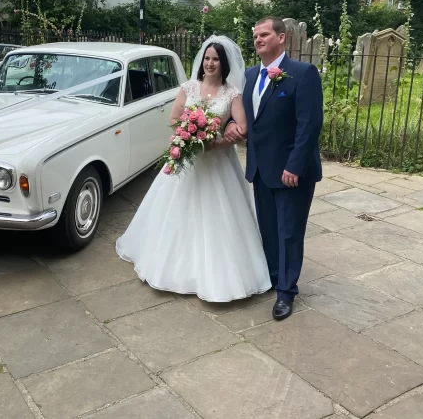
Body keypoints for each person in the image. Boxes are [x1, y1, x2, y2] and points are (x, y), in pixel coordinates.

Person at [116, 36, 272, 303]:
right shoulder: (189, 88)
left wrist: (221, 138)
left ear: (224, 64)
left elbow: (243, 128)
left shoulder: (231, 94)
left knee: (220, 217)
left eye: (216, 59)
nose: (210, 63)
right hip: (187, 160)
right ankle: (171, 266)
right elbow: (174, 119)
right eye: (207, 58)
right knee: (175, 212)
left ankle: (221, 274)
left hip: (217, 163)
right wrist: (188, 136)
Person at [225, 17, 323, 320]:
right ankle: (272, 276)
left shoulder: (303, 74)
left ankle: (286, 292)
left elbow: (309, 125)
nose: (258, 40)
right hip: (260, 169)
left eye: (264, 34)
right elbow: (244, 115)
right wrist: (231, 125)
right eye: (255, 36)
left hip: (291, 172)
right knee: (268, 229)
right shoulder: (252, 75)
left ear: (282, 38)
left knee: (289, 232)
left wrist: (294, 165)